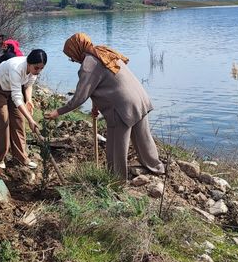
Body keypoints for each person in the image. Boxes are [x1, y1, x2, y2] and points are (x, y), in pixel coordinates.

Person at [45, 33, 165, 180]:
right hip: (139, 99)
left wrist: (57, 112)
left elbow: (79, 97)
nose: (73, 59)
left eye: (71, 56)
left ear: (77, 49)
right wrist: (96, 105)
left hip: (121, 107)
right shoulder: (102, 52)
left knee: (116, 146)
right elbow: (104, 81)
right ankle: (156, 168)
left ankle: (116, 180)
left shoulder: (89, 64)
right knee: (143, 138)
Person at [0, 49, 47, 170]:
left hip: (13, 88)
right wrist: (31, 120)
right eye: (37, 68)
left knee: (19, 120)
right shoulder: (17, 68)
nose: (39, 71)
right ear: (29, 63)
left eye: (41, 68)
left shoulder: (34, 71)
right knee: (3, 120)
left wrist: (29, 100)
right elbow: (17, 97)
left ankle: (21, 158)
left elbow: (28, 85)